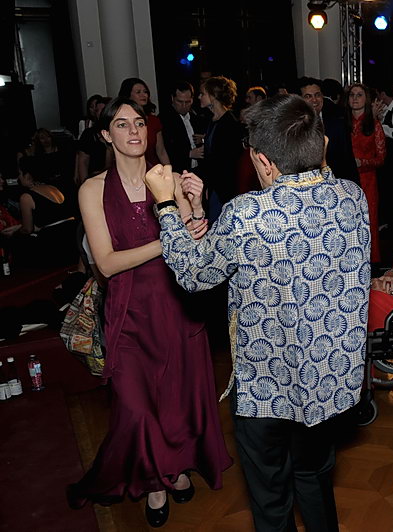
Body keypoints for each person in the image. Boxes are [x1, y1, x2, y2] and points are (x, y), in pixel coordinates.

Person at [145, 94, 370, 532]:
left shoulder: (246, 214)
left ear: (264, 162)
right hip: (327, 382)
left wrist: (166, 206)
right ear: (320, 143)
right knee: (315, 478)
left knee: (270, 498)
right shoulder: (352, 197)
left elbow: (193, 274)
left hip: (266, 387)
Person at [67, 98, 232, 527]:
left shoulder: (170, 180)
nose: (134, 131)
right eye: (122, 125)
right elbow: (106, 263)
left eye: (139, 123)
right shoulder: (92, 190)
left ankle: (171, 470)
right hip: (128, 314)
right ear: (106, 135)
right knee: (136, 408)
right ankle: (154, 480)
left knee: (175, 403)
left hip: (177, 308)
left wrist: (197, 210)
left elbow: (195, 250)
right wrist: (167, 240)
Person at [345, 83, 386, 263]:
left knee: (368, 221)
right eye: (352, 95)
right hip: (346, 180)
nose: (355, 98)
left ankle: (371, 263)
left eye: (359, 95)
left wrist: (362, 162)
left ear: (366, 99)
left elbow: (381, 158)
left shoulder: (374, 125)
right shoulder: (343, 124)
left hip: (367, 180)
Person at [196, 76, 244, 222]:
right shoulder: (213, 120)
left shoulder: (230, 123)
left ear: (213, 96)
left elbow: (226, 161)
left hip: (225, 189)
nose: (199, 97)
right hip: (215, 187)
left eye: (202, 94)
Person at [298, 76, 359, 185]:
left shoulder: (337, 124)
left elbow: (348, 161)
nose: (314, 100)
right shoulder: (293, 128)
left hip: (336, 186)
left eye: (317, 95)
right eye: (308, 96)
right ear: (299, 100)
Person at [118, 78, 170, 167]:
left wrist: (169, 170)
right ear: (128, 95)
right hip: (130, 168)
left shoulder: (154, 120)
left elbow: (161, 151)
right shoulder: (122, 121)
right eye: (138, 92)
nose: (143, 95)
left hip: (154, 168)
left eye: (145, 92)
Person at [160, 81, 204, 173]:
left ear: (192, 100)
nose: (184, 106)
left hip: (199, 170)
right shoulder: (164, 119)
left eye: (187, 102)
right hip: (177, 171)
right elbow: (163, 149)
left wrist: (203, 139)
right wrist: (189, 153)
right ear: (172, 98)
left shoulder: (197, 117)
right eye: (180, 101)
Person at [76, 96, 112, 185]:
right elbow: (83, 161)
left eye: (103, 109)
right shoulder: (89, 134)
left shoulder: (120, 132)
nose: (100, 112)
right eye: (97, 110)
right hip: (95, 182)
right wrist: (85, 184)